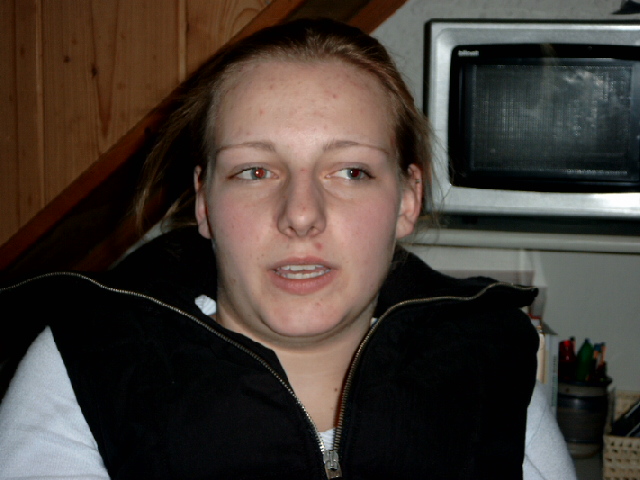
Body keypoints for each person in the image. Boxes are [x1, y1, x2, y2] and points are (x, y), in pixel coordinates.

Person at [0, 18, 575, 480]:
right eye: (254, 171)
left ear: (407, 200)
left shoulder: (490, 361)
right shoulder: (85, 365)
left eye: (350, 171)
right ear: (204, 203)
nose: (300, 214)